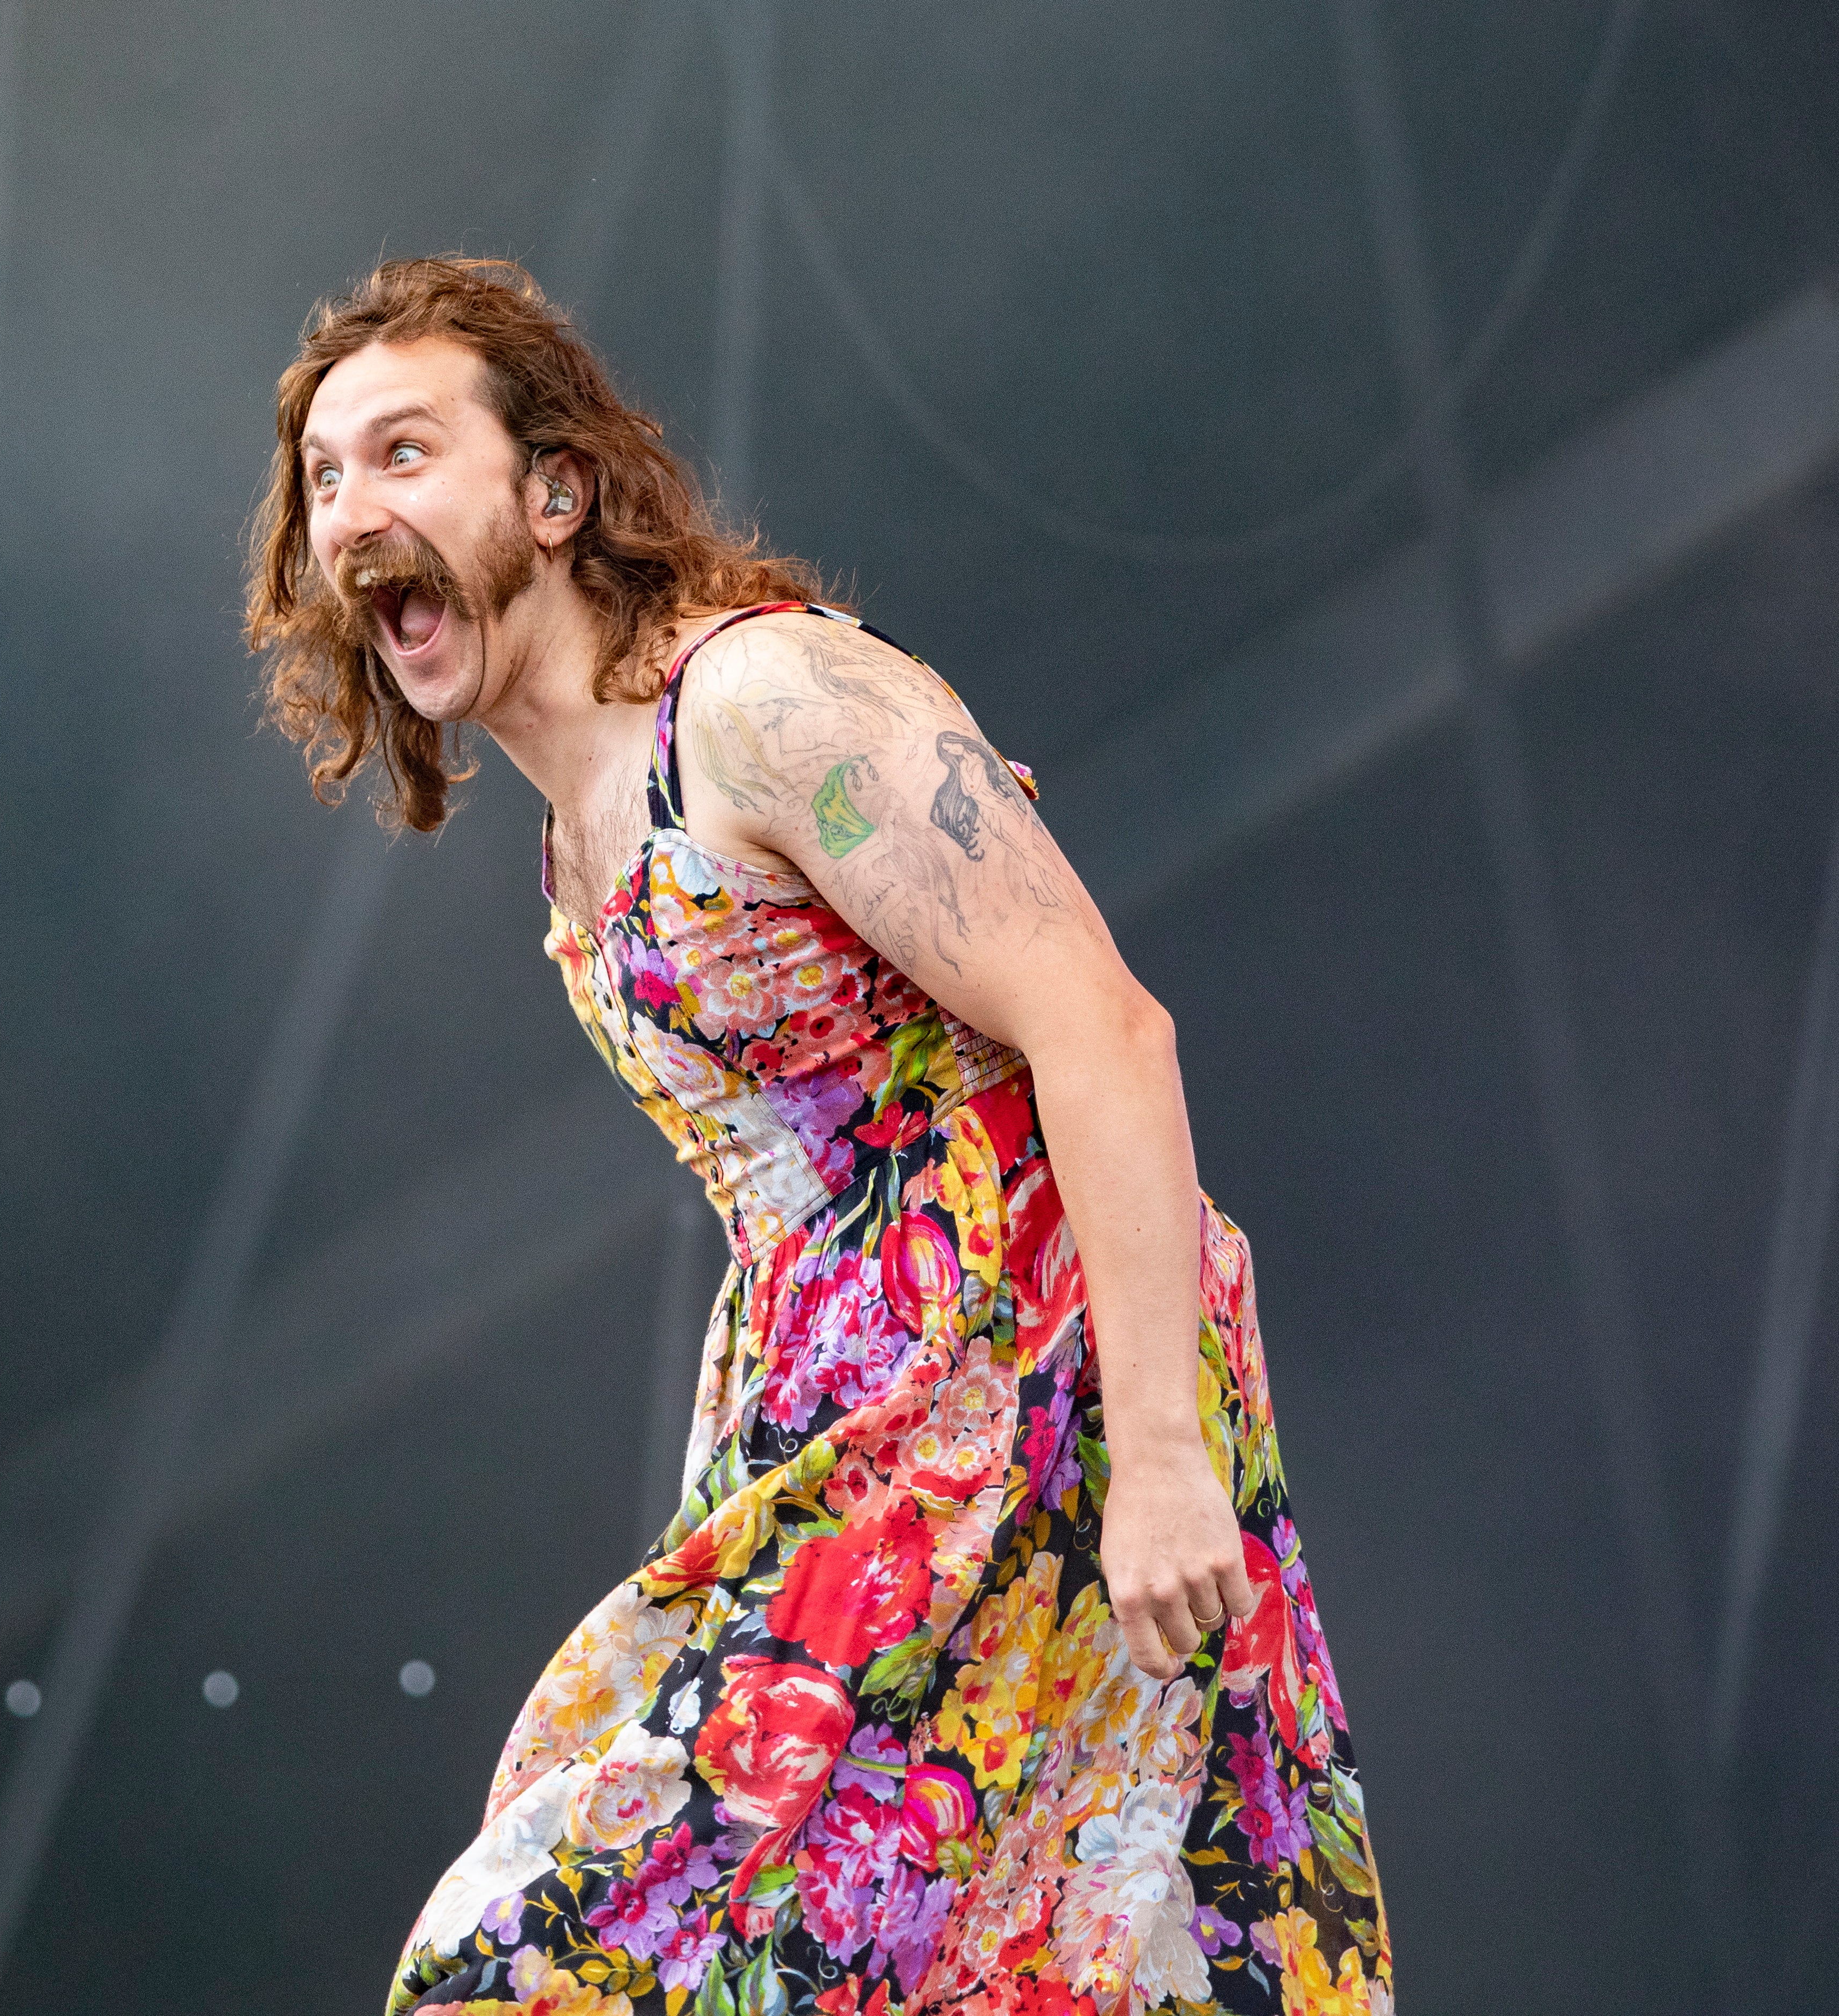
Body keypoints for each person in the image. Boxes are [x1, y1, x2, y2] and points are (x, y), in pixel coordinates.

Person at [250, 260, 1390, 2014]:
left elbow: (1102, 1022)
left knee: (564, 1960)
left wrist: (1161, 1450)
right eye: (324, 478)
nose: (351, 514)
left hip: (1027, 1394)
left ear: (554, 494)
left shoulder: (766, 705)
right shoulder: (572, 838)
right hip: (832, 1425)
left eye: (402, 452)